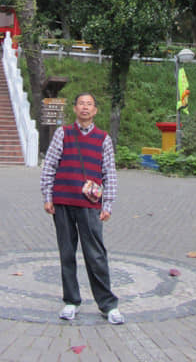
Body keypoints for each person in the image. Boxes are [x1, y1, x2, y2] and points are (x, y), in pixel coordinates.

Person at [40, 92, 124, 324]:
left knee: (95, 254)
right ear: (75, 109)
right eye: (81, 104)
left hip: (90, 205)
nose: (85, 108)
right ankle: (71, 301)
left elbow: (110, 173)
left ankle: (107, 304)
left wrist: (107, 204)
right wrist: (47, 196)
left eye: (89, 105)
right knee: (67, 253)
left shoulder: (103, 138)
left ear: (95, 110)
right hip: (63, 202)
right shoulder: (63, 134)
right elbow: (49, 166)